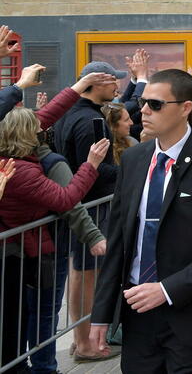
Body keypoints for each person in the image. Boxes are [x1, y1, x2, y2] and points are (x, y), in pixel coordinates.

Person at [89, 69, 192, 372]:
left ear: (185, 108)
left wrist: (167, 289)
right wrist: (101, 313)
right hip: (137, 311)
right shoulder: (135, 159)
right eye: (143, 103)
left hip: (191, 311)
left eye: (156, 104)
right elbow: (120, 240)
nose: (144, 110)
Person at [0, 109, 108, 374]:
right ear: (28, 134)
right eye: (38, 128)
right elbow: (65, 199)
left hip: (21, 250)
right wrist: (91, 165)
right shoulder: (23, 170)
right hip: (26, 251)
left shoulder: (14, 162)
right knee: (32, 313)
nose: (43, 129)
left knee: (22, 313)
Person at [51, 61, 127, 362]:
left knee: (80, 274)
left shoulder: (70, 113)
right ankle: (84, 343)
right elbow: (94, 169)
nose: (116, 87)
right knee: (87, 275)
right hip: (90, 207)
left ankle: (81, 339)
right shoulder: (91, 121)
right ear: (95, 83)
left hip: (80, 204)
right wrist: (129, 170)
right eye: (112, 82)